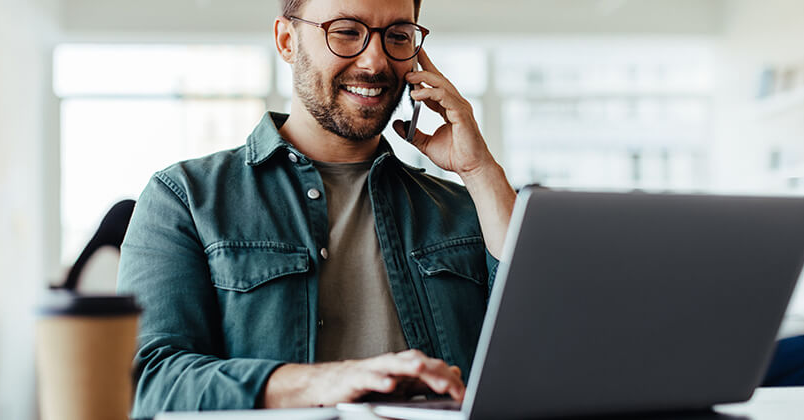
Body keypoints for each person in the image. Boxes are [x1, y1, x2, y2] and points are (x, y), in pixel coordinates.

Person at [117, 0, 517, 416]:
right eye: (346, 31)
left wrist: (479, 169)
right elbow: (153, 383)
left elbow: (546, 348)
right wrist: (331, 380)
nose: (375, 61)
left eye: (398, 36)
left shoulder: (467, 210)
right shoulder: (184, 199)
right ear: (287, 41)